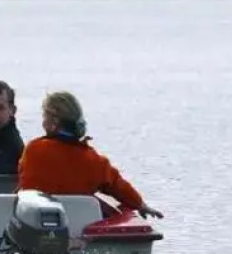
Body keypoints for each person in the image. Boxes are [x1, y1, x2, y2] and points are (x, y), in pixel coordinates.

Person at [16, 90, 163, 218]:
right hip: (80, 228)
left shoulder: (34, 150)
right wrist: (140, 204)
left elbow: (22, 184)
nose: (42, 122)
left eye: (44, 117)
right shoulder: (95, 161)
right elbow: (117, 185)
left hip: (38, 224)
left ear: (54, 121)